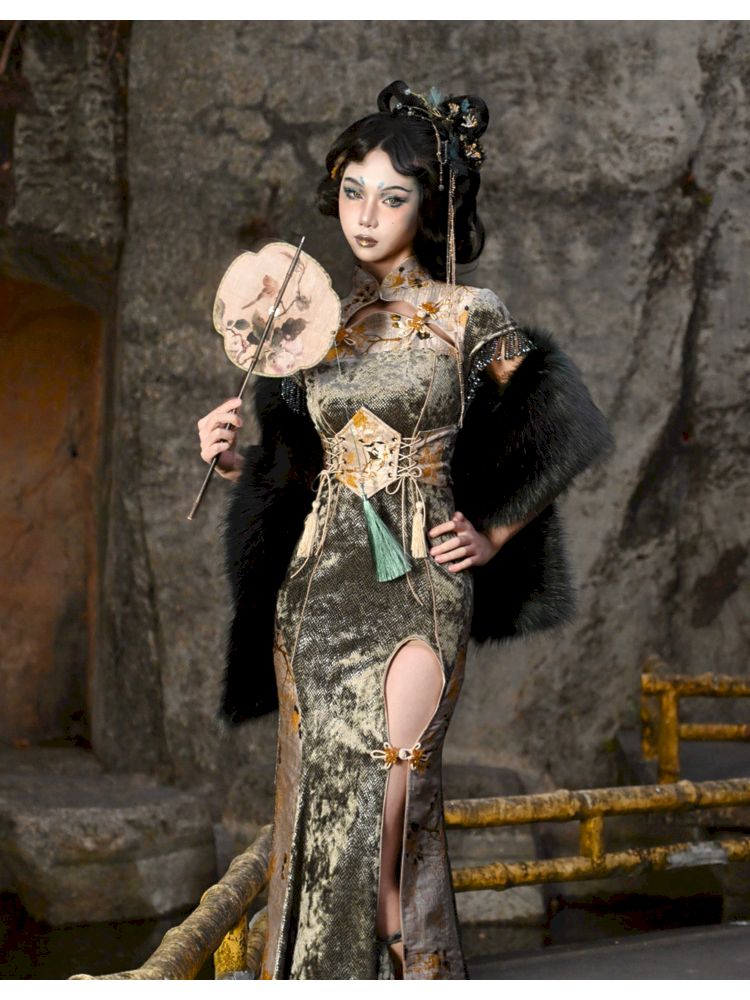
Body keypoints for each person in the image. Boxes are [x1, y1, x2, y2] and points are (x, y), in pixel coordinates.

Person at [197, 80, 612, 980]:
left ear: (430, 206)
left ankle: (393, 949)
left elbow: (567, 423)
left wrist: (496, 531)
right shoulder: (311, 328)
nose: (366, 214)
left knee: (395, 790)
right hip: (317, 591)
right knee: (319, 801)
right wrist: (231, 459)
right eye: (353, 191)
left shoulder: (470, 313)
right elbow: (289, 470)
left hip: (420, 579)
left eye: (392, 196)